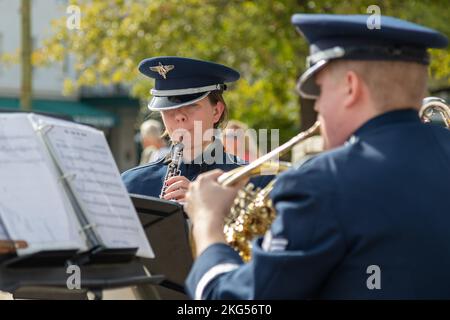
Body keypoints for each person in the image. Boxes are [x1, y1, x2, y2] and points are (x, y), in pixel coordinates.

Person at [184, 14, 450, 299]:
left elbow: (234, 302)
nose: (318, 106)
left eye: (321, 91)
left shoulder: (322, 183)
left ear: (351, 87)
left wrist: (207, 222)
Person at [122, 56, 271, 202]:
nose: (179, 116)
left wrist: (208, 207)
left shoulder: (256, 183)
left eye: (191, 105)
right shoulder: (131, 185)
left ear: (216, 112)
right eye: (168, 107)